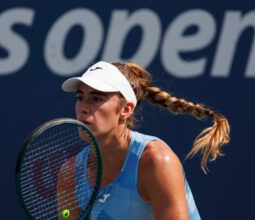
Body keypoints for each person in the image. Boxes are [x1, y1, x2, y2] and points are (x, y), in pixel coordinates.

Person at [59, 61, 230, 220]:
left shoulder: (157, 162)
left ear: (126, 109)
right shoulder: (70, 174)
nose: (83, 107)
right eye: (79, 97)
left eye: (96, 98)